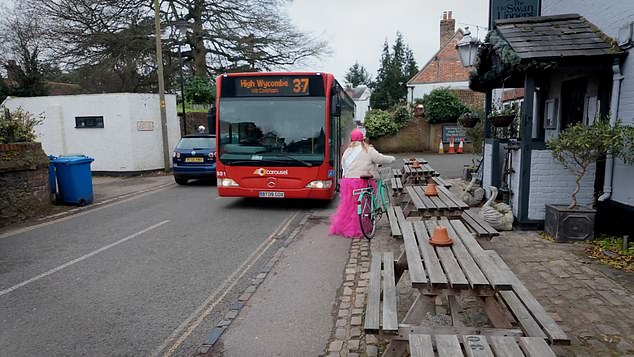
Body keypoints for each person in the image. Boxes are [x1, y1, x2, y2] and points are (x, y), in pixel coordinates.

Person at [329, 129, 395, 238]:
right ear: (363, 139)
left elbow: (343, 166)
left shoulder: (347, 152)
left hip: (348, 181)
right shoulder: (368, 149)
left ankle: (347, 227)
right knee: (365, 203)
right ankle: (363, 226)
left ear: (351, 139)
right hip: (363, 180)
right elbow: (380, 159)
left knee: (349, 206)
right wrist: (392, 159)